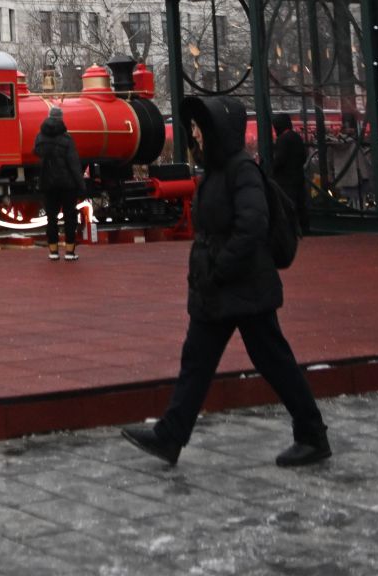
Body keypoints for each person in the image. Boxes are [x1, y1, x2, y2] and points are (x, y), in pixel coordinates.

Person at [120, 95, 330, 469]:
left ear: (219, 131)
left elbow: (252, 226)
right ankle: (171, 435)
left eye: (202, 126)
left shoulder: (241, 170)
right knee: (197, 361)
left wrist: (220, 268)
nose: (196, 134)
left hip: (242, 285)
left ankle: (312, 434)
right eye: (194, 127)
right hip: (218, 287)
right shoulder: (216, 171)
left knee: (273, 361)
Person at [33, 107, 84, 261]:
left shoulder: (40, 138)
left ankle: (53, 251)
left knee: (51, 218)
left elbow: (36, 152)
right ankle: (69, 251)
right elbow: (74, 164)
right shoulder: (66, 139)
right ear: (61, 119)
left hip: (48, 183)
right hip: (67, 184)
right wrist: (81, 185)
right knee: (70, 217)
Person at [268, 113, 310, 237]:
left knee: (287, 205)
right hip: (297, 175)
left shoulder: (283, 139)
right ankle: (304, 228)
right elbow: (303, 156)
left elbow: (279, 160)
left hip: (285, 179)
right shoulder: (296, 137)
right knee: (300, 203)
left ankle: (291, 230)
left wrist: (272, 171)